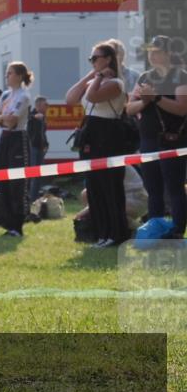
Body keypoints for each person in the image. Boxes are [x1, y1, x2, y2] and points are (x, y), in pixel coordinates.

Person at [66, 45, 129, 247]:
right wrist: (92, 75)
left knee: (110, 186)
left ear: (109, 59)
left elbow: (93, 97)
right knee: (94, 187)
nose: (92, 62)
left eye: (96, 58)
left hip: (108, 136)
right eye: (90, 59)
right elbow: (71, 98)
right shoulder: (95, 80)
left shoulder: (116, 83)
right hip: (91, 135)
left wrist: (100, 78)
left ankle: (116, 233)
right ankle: (101, 233)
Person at [127, 35, 187, 239]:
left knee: (174, 187)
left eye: (157, 51)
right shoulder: (145, 77)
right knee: (153, 188)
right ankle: (155, 227)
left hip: (172, 141)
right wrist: (144, 102)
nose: (152, 55)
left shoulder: (180, 76)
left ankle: (177, 230)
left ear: (168, 54)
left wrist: (157, 98)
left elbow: (181, 108)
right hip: (148, 139)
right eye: (150, 51)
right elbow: (129, 108)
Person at [0, 62, 34, 238]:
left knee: (18, 184)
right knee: (4, 181)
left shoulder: (23, 96)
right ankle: (8, 224)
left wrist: (1, 119)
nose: (6, 76)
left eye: (10, 73)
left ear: (20, 75)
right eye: (6, 73)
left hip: (18, 138)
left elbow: (12, 121)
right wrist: (1, 118)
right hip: (4, 138)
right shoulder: (7, 94)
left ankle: (18, 224)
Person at [27, 97, 50, 203]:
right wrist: (34, 117)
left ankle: (35, 198)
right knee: (33, 174)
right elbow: (27, 120)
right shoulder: (31, 115)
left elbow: (42, 133)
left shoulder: (43, 117)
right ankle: (31, 199)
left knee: (39, 174)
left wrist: (45, 144)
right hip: (33, 148)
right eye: (46, 105)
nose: (47, 107)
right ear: (39, 105)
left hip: (40, 148)